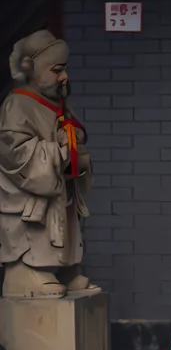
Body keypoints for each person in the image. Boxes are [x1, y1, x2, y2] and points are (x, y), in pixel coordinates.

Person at [0, 29, 99, 298]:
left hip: (60, 189)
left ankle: (63, 271)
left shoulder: (55, 103)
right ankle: (26, 273)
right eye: (57, 70)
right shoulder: (17, 105)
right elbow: (16, 153)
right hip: (32, 197)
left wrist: (72, 142)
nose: (64, 77)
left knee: (66, 226)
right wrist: (59, 151)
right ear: (32, 69)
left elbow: (74, 133)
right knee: (36, 234)